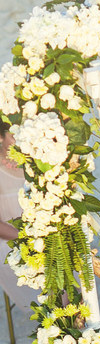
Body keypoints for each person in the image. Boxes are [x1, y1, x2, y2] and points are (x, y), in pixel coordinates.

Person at [0, 121, 37, 313]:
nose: (20, 140)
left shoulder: (37, 161)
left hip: (42, 229)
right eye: (13, 135)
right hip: (10, 239)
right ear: (1, 137)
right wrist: (25, 237)